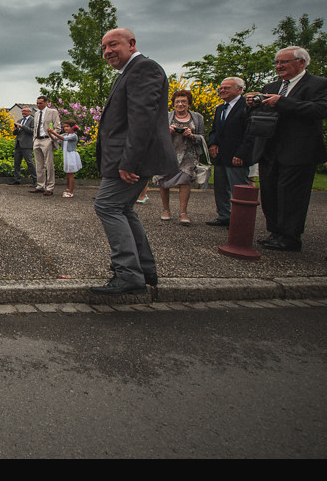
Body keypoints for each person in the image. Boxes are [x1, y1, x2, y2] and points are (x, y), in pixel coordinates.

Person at [91, 28, 177, 295]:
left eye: (113, 45)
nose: (107, 52)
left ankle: (128, 274)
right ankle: (144, 269)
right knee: (123, 209)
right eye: (104, 48)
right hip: (126, 158)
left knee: (107, 206)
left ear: (131, 43)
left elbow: (143, 120)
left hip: (129, 160)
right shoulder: (129, 72)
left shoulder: (144, 68)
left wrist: (129, 161)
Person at [248, 46, 327, 252]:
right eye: (276, 63)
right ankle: (275, 231)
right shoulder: (272, 85)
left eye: (283, 62)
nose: (278, 66)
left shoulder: (318, 84)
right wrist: (255, 104)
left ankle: (290, 236)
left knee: (292, 195)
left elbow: (321, 110)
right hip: (270, 149)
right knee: (270, 192)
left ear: (301, 62)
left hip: (298, 150)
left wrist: (283, 102)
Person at [206, 77, 252, 227]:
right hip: (220, 155)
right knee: (220, 188)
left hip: (237, 155)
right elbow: (215, 130)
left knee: (238, 189)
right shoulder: (220, 108)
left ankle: (241, 220)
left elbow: (249, 133)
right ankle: (224, 216)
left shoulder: (246, 107)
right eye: (221, 88)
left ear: (239, 89)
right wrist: (212, 143)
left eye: (227, 88)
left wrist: (242, 153)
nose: (222, 90)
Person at [157, 89, 205, 225]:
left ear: (189, 103)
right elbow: (157, 135)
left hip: (188, 154)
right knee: (163, 180)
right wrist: (168, 132)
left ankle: (183, 212)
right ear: (173, 104)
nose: (180, 104)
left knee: (185, 181)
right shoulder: (166, 117)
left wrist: (192, 135)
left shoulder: (197, 117)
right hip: (168, 153)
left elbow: (202, 137)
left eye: (183, 101)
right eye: (177, 101)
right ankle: (165, 210)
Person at [31, 96, 60, 195]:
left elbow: (57, 127)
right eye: (37, 103)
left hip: (47, 139)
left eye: (40, 103)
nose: (38, 105)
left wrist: (52, 137)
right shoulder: (36, 113)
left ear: (46, 103)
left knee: (49, 164)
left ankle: (50, 187)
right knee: (39, 165)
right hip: (37, 140)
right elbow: (35, 127)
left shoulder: (52, 112)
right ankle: (40, 185)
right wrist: (34, 139)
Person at [49, 119, 82, 197]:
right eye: (64, 127)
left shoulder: (74, 135)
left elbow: (63, 139)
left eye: (67, 126)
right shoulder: (64, 134)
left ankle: (70, 192)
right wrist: (50, 133)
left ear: (72, 127)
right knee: (67, 173)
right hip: (66, 155)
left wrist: (53, 132)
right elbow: (55, 139)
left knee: (71, 174)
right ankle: (68, 188)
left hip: (71, 155)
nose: (66, 128)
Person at [10, 106, 37, 187]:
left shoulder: (32, 120)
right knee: (16, 162)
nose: (23, 112)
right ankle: (17, 179)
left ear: (30, 112)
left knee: (30, 162)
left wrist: (22, 126)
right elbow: (15, 133)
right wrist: (15, 129)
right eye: (22, 111)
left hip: (27, 144)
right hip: (18, 144)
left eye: (25, 111)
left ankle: (35, 180)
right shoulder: (19, 120)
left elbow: (32, 131)